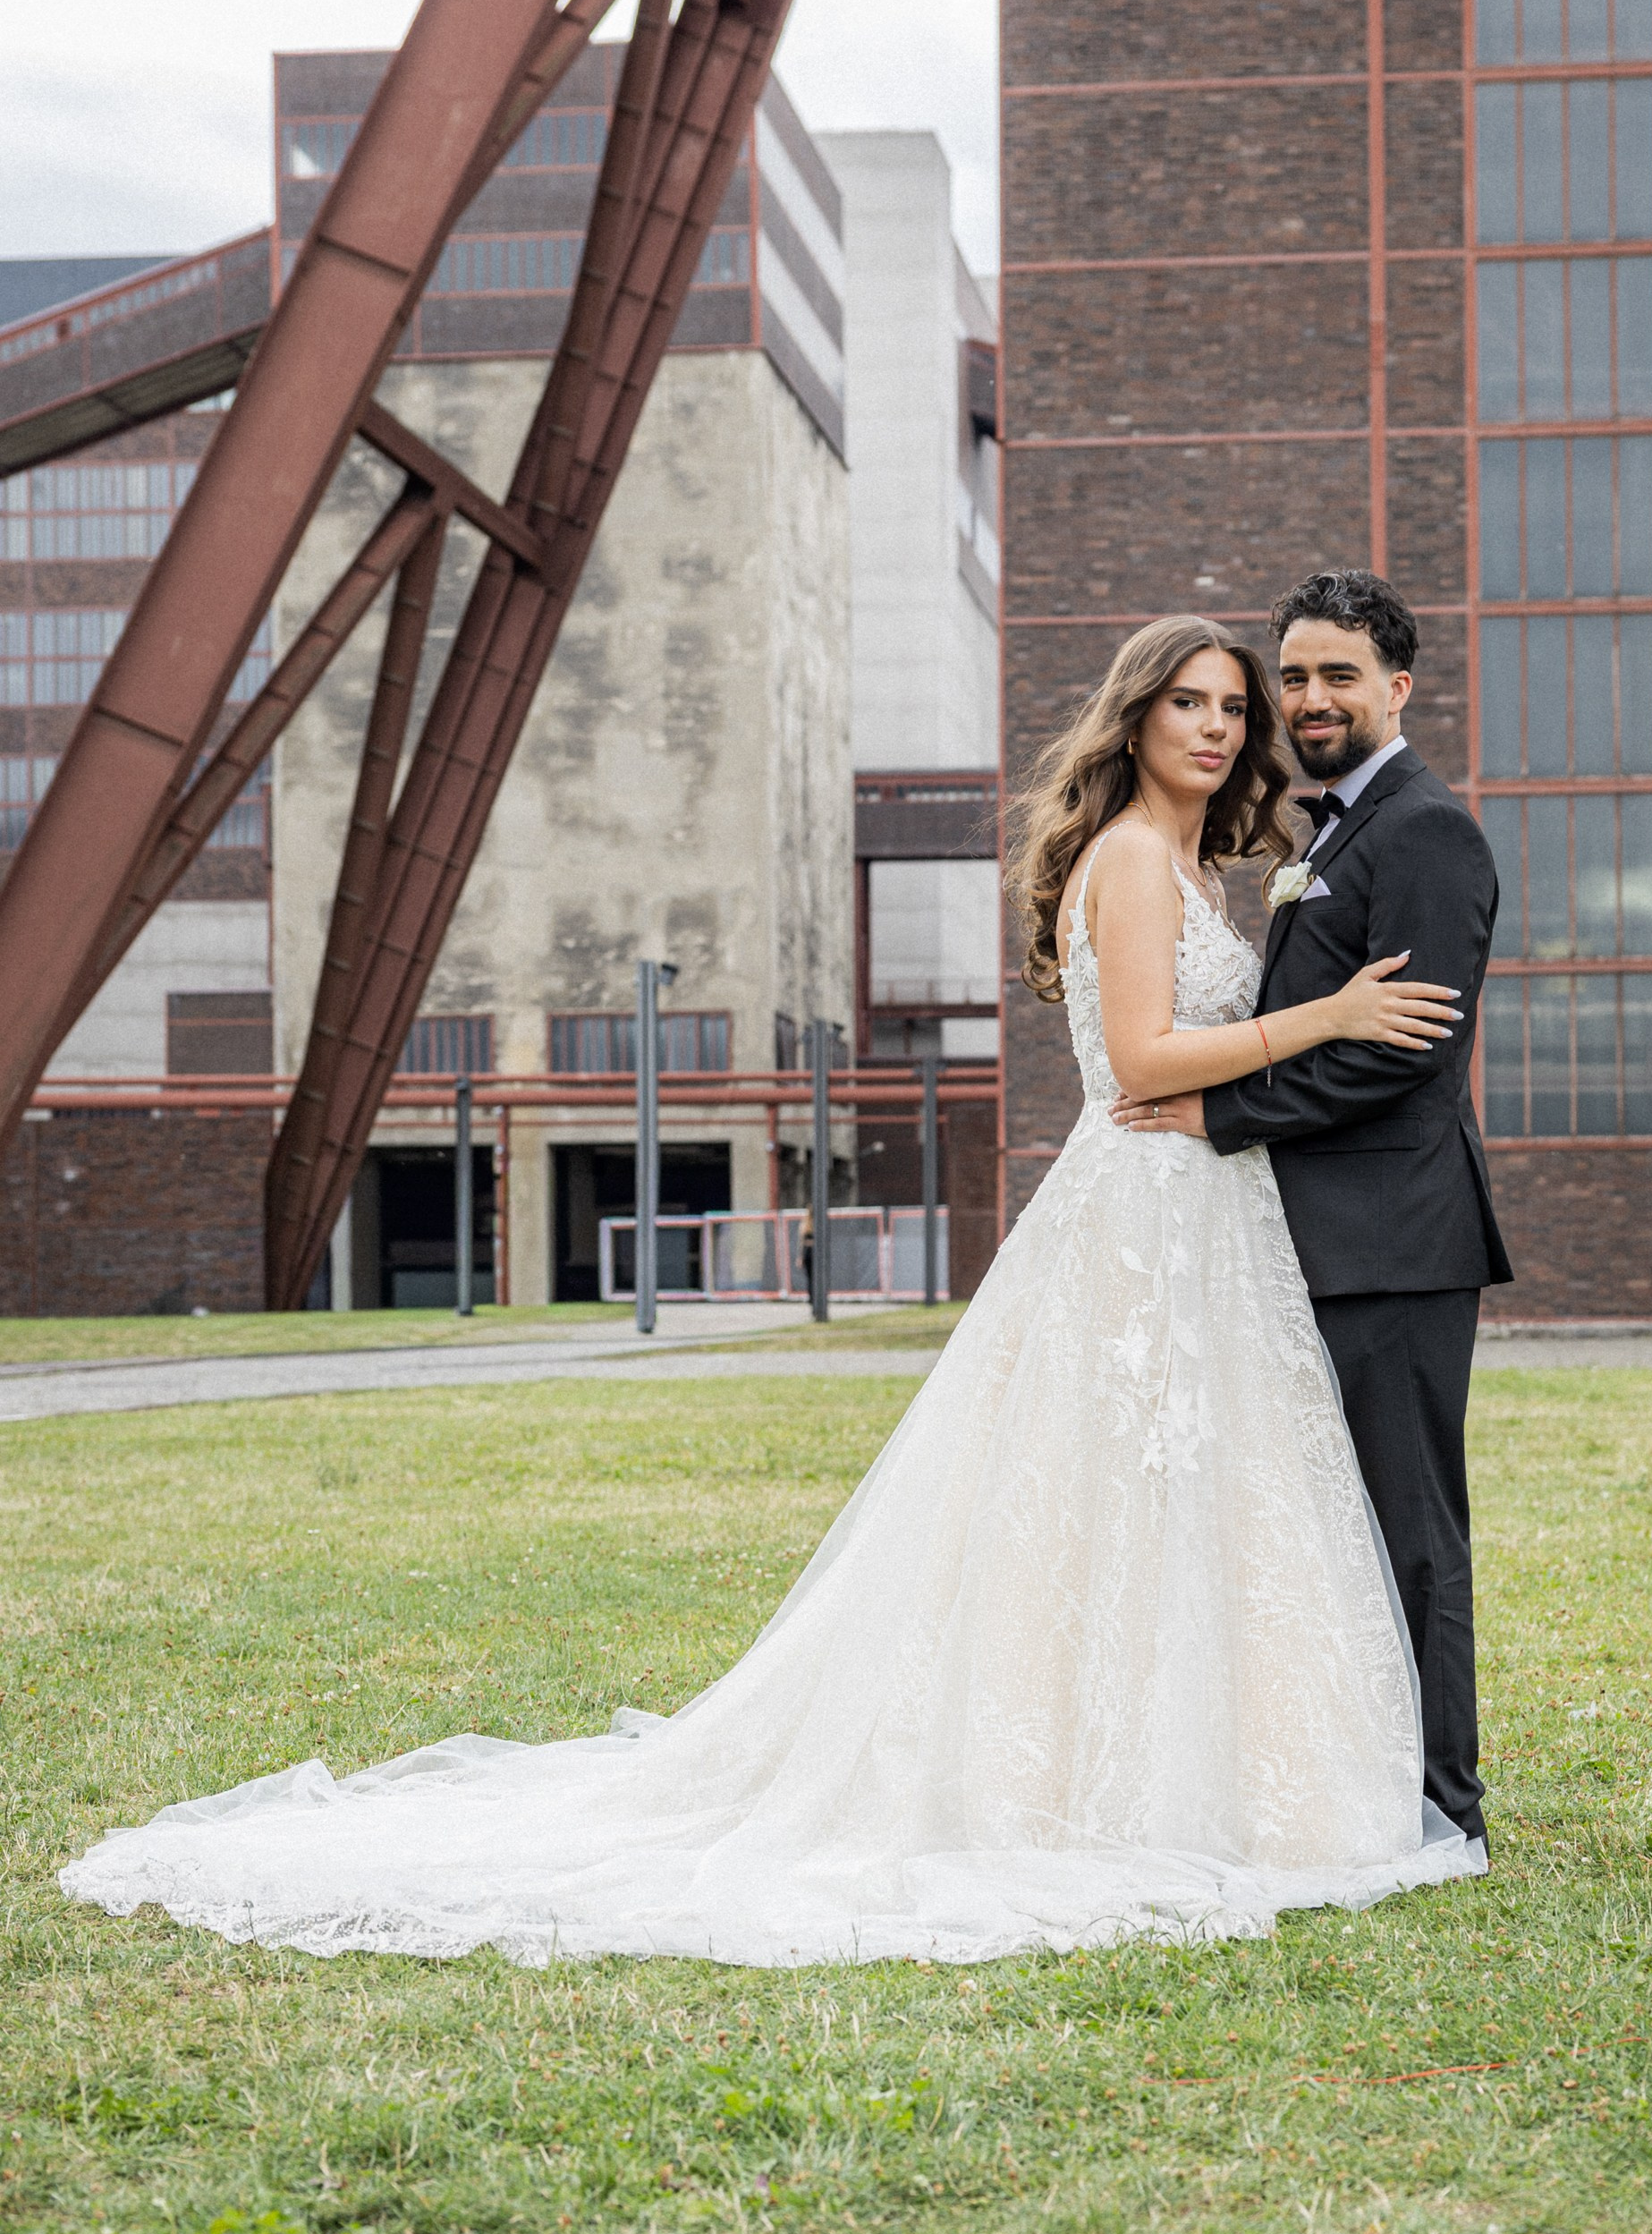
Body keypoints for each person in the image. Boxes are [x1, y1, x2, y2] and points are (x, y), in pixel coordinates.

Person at [62, 616, 1485, 1971]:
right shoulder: (1124, 855)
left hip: (1211, 1222)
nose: (1222, 726)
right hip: (1140, 1221)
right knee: (1099, 1496)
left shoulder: (1209, 872)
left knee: (1192, 1507)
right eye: (1193, 701)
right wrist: (1332, 1014)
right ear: (1136, 716)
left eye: (1236, 708)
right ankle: (1077, 1784)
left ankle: (1206, 1776)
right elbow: (1147, 1056)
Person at [1112, 573, 1512, 1849]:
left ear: (1399, 688)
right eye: (1295, 677)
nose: (1309, 700)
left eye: (1339, 675)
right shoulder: (1326, 833)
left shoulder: (1426, 832)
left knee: (1409, 1532)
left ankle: (1444, 1807)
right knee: (1324, 1530)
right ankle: (1344, 1778)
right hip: (1307, 1241)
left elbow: (1410, 1051)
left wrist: (1225, 1117)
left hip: (1394, 1242)